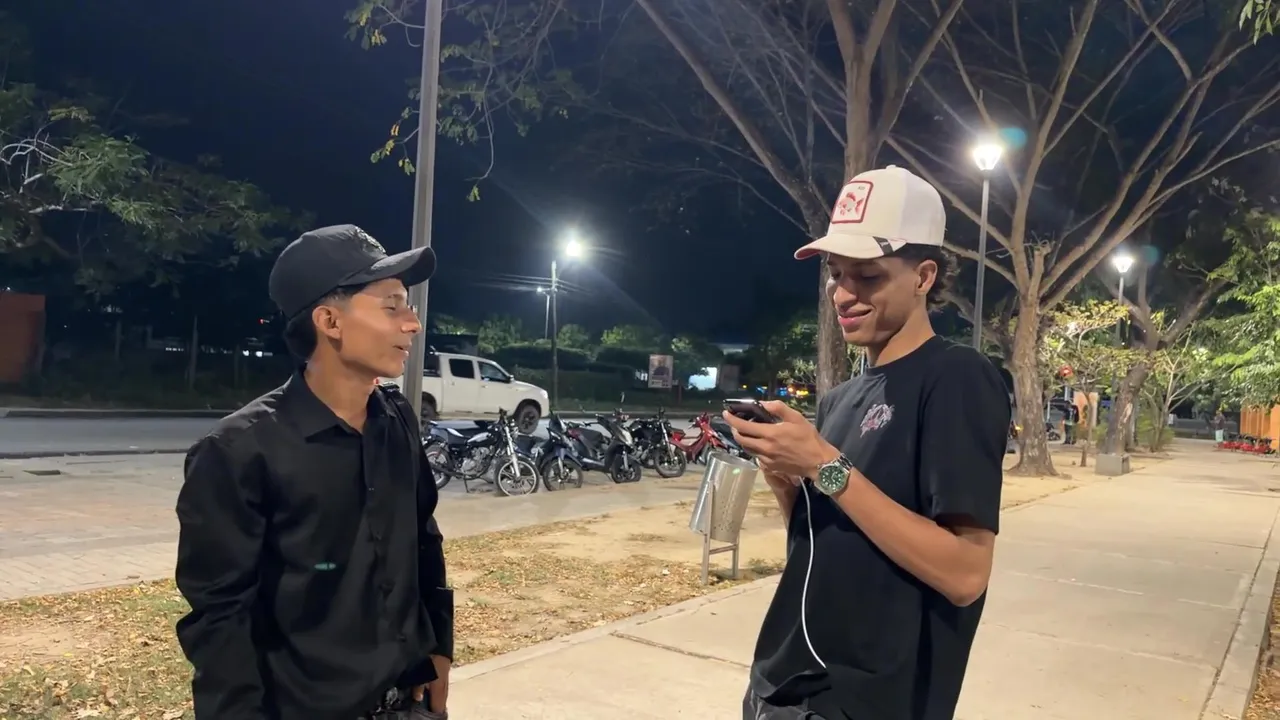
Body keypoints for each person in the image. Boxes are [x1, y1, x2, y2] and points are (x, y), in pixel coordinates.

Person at [724, 166, 1010, 720]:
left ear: (924, 276)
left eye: (868, 275)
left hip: (867, 702)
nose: (843, 293)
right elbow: (825, 547)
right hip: (782, 687)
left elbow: (965, 573)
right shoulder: (840, 400)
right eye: (835, 274)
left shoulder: (956, 378)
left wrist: (825, 465)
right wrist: (788, 481)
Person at [174, 224, 453, 720]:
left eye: (408, 306)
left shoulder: (397, 420)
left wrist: (439, 649)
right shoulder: (238, 450)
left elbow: (422, 538)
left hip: (408, 701)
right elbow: (220, 618)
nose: (412, 324)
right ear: (329, 321)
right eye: (391, 306)